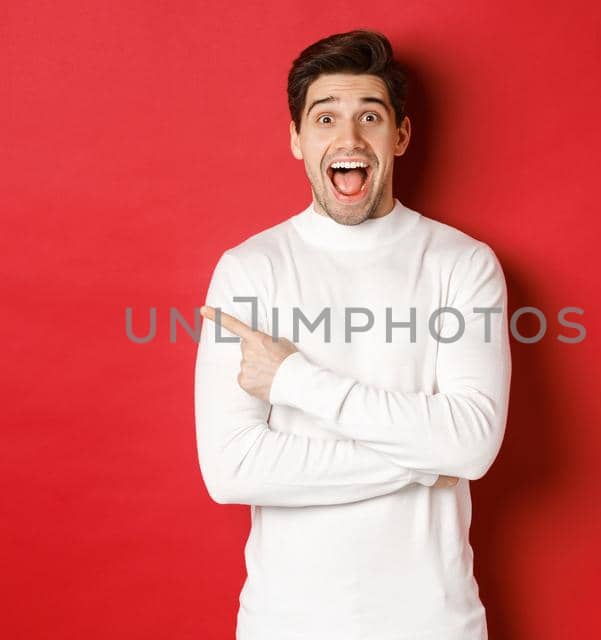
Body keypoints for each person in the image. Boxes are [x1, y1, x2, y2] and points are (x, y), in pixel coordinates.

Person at [193, 29, 511, 640]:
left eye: (369, 115)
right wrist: (421, 461)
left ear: (400, 135)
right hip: (285, 624)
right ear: (296, 139)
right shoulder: (250, 269)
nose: (348, 138)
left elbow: (471, 444)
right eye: (325, 118)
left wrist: (293, 380)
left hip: (436, 623)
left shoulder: (463, 265)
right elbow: (232, 469)